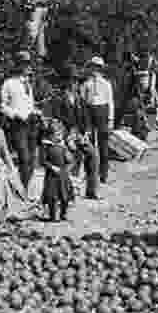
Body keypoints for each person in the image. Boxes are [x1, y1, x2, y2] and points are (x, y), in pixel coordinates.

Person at [52, 65, 99, 199]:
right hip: (64, 137)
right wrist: (67, 137)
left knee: (93, 154)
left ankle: (91, 190)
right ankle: (69, 190)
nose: (75, 84)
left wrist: (85, 134)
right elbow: (57, 122)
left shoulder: (80, 99)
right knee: (71, 155)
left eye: (76, 81)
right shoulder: (59, 99)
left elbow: (86, 120)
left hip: (78, 135)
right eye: (72, 81)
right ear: (66, 82)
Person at [0, 51, 42, 191]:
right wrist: (15, 115)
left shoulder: (28, 84)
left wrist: (35, 111)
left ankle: (24, 188)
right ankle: (21, 189)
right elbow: (3, 106)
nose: (27, 67)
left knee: (32, 159)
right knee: (24, 158)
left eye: (28, 64)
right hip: (18, 125)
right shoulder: (8, 83)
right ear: (17, 65)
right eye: (23, 64)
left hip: (32, 123)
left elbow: (29, 104)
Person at [81, 56, 114, 185]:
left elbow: (110, 102)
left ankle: (103, 174)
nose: (95, 71)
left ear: (101, 70)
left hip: (103, 112)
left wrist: (110, 119)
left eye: (98, 68)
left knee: (103, 144)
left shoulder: (106, 84)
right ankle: (90, 172)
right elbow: (83, 102)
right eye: (93, 68)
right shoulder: (86, 84)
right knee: (90, 144)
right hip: (90, 112)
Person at [40, 119, 75, 222]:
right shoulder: (46, 146)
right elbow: (42, 161)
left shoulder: (63, 146)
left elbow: (70, 160)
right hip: (52, 175)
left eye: (60, 134)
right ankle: (53, 215)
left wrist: (68, 168)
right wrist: (52, 167)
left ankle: (63, 214)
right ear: (50, 135)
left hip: (63, 174)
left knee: (65, 196)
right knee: (52, 196)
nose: (58, 137)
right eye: (56, 135)